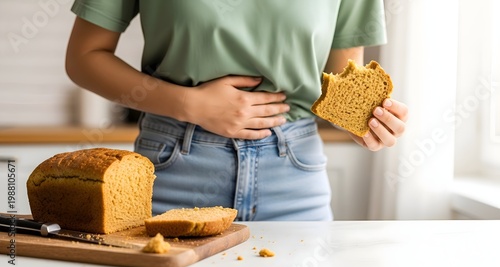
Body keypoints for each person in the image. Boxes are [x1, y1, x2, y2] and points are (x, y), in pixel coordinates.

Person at [65, 0, 408, 221]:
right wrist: (190, 104)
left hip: (294, 177)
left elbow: (341, 86)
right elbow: (84, 58)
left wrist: (369, 123)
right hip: (175, 169)